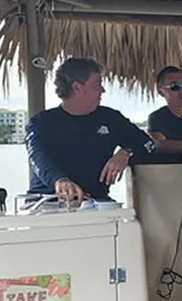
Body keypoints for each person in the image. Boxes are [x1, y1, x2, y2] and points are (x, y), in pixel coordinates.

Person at [26, 57, 157, 202]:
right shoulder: (42, 122)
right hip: (47, 202)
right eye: (97, 84)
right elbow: (37, 157)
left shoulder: (111, 119)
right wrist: (59, 181)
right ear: (77, 87)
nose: (103, 90)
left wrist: (125, 153)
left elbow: (149, 145)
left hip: (95, 202)